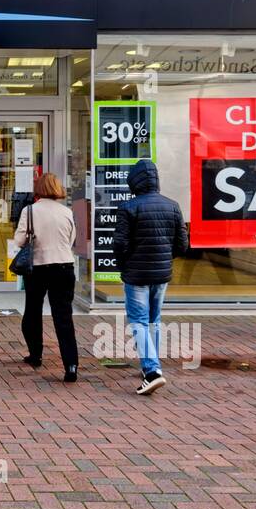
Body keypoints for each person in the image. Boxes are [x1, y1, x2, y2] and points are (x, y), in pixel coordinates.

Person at [112, 159, 188, 396]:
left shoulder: (129, 207)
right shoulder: (172, 206)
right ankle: (149, 363)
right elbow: (182, 245)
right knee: (153, 320)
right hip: (161, 274)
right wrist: (165, 259)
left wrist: (125, 266)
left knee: (139, 322)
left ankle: (152, 371)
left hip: (136, 275)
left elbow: (119, 244)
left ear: (134, 181)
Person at [12, 172, 80, 383]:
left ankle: (35, 354)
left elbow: (19, 240)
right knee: (64, 317)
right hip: (64, 266)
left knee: (33, 310)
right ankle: (70, 365)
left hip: (39, 266)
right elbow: (71, 239)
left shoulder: (29, 211)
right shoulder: (66, 211)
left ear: (38, 189)